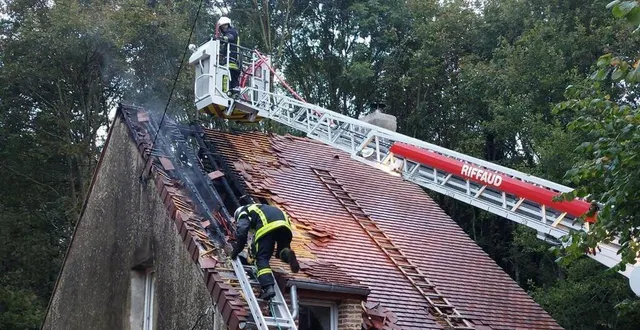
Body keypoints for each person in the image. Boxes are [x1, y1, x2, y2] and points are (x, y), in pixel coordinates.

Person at [229, 203, 300, 301]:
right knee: (281, 251)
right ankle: (288, 255)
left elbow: (242, 232)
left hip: (268, 224)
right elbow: (256, 241)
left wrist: (236, 251)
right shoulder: (258, 207)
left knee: (262, 258)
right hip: (284, 224)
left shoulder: (243, 212)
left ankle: (268, 288)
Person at [216, 16, 241, 95]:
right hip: (228, 61)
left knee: (231, 78)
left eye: (225, 25)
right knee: (227, 80)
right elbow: (224, 50)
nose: (224, 27)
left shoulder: (232, 32)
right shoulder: (227, 36)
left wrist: (219, 38)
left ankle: (233, 92)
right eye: (222, 26)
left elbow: (229, 38)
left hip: (232, 61)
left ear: (228, 25)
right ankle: (230, 92)